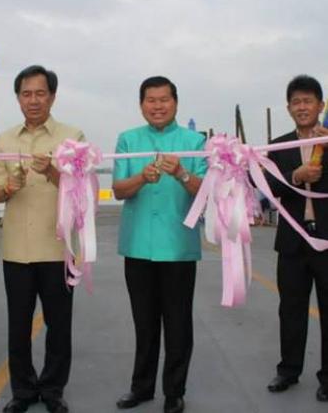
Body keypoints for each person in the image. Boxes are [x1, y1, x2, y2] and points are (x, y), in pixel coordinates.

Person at [0, 65, 84, 413]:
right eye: (26, 94)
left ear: (52, 96)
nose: (33, 100)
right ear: (18, 98)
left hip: (58, 249)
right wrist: (8, 188)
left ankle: (53, 389)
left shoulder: (72, 137)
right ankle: (23, 391)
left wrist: (53, 171)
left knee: (59, 326)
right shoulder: (4, 141)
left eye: (40, 93)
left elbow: (81, 189)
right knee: (18, 325)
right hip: (17, 250)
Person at [113, 76, 207, 413]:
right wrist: (142, 177)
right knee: (144, 323)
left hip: (178, 247)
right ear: (142, 105)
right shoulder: (128, 140)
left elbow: (206, 192)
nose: (157, 106)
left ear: (176, 102)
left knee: (178, 324)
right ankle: (141, 388)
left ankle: (174, 392)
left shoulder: (195, 142)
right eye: (150, 100)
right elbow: (118, 190)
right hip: (138, 245)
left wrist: (181, 173)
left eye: (164, 99)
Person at [266, 75, 328, 402]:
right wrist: (295, 176)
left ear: (320, 105)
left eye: (308, 101)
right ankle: (288, 370)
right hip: (291, 241)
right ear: (289, 108)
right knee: (290, 308)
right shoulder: (278, 146)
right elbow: (266, 187)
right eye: (296, 102)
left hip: (326, 241)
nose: (302, 107)